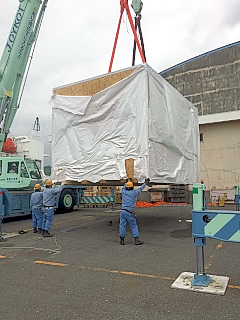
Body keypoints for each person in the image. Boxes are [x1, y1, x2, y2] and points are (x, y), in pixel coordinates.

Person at [119, 180, 147, 245]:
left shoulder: (123, 192)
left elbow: (123, 187)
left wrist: (127, 181)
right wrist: (145, 183)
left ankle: (122, 240)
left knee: (122, 225)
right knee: (133, 226)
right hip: (129, 212)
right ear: (132, 187)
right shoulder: (134, 193)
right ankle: (136, 240)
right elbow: (140, 189)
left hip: (123, 211)